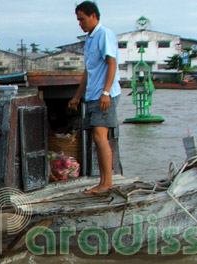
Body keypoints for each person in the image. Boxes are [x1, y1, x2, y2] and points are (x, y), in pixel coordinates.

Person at [69, 1, 121, 195]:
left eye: (82, 19)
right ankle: (102, 181)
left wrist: (106, 92)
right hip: (92, 95)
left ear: (93, 16)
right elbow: (88, 71)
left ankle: (107, 183)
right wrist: (77, 97)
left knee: (101, 136)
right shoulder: (90, 39)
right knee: (96, 138)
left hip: (104, 95)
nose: (80, 23)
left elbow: (112, 63)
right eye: (78, 20)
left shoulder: (104, 34)